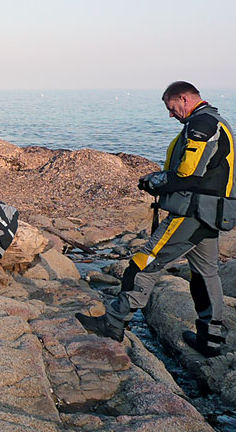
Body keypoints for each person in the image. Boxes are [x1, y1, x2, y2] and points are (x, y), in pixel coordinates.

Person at [77, 82, 234, 357]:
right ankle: (212, 339)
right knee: (206, 274)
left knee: (144, 262)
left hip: (192, 214)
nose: (171, 115)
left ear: (184, 99)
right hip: (210, 213)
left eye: (172, 108)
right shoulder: (215, 121)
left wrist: (157, 182)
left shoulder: (203, 124)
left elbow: (188, 172)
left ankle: (114, 322)